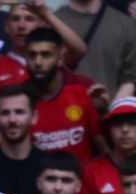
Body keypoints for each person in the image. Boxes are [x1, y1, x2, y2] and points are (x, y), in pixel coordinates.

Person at [23, 27, 103, 163]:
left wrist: (103, 111)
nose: (38, 62)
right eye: (32, 55)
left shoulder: (81, 91)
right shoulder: (19, 99)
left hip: (82, 181)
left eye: (46, 55)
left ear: (60, 58)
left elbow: (103, 149)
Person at [54, 0, 136, 101]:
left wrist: (113, 111)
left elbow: (129, 80)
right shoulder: (52, 23)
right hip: (65, 111)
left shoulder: (126, 25)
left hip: (108, 111)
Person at [81, 98, 136, 194]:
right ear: (108, 129)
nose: (125, 130)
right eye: (118, 124)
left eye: (132, 123)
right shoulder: (90, 171)